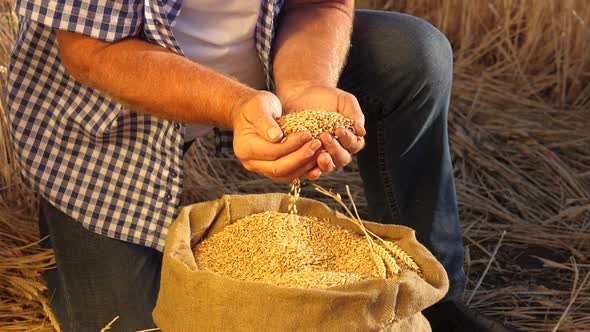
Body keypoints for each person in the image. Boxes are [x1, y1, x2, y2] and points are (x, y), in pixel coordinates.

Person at [6, 0, 510, 331]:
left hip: (266, 54)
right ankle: (66, 229)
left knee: (414, 54)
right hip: (108, 115)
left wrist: (306, 86)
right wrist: (233, 105)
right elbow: (93, 53)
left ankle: (430, 293)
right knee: (127, 322)